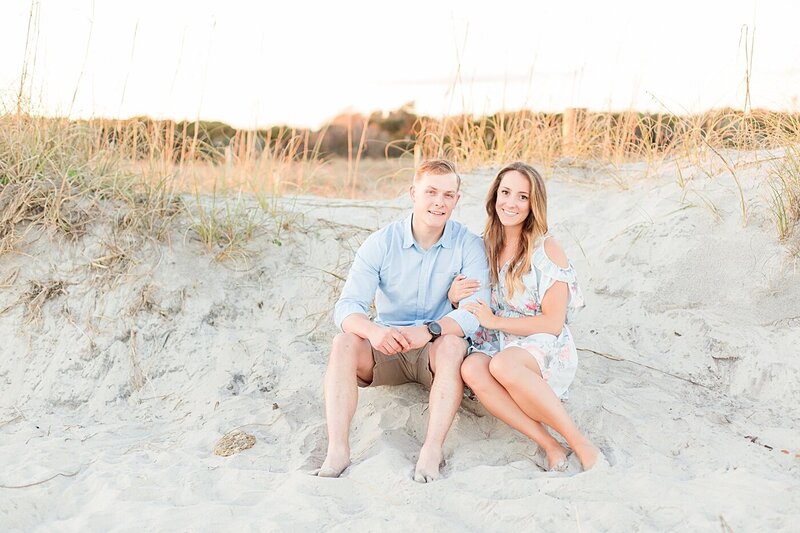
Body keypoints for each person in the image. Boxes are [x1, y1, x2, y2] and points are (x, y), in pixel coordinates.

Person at [320, 159, 490, 482]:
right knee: (343, 343)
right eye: (431, 192)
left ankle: (431, 450)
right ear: (413, 193)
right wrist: (374, 331)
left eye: (448, 195)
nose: (439, 202)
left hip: (433, 349)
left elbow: (474, 311)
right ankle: (337, 450)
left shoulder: (468, 245)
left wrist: (430, 330)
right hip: (388, 347)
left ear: (456, 200)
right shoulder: (381, 243)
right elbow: (346, 308)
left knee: (454, 346)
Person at [448, 161, 600, 471]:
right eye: (505, 192)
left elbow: (553, 322)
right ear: (494, 197)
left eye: (522, 196)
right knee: (472, 368)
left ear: (533, 204)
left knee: (503, 364)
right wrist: (454, 298)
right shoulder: (485, 245)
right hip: (500, 340)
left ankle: (580, 443)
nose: (511, 203)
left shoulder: (546, 249)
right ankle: (550, 445)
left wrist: (495, 321)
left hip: (543, 342)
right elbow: (475, 299)